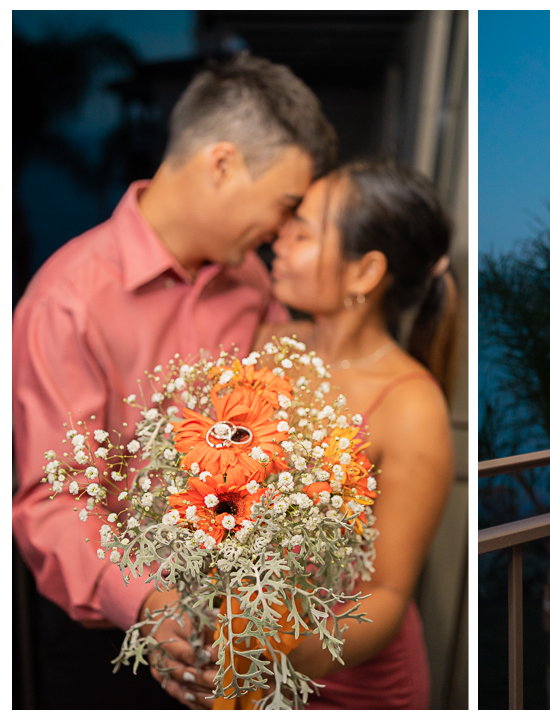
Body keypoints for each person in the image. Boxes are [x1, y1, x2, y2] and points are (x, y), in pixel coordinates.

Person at [12, 52, 337, 710]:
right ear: (221, 163)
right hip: (108, 640)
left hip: (234, 617)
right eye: (284, 204)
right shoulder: (68, 300)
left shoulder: (253, 285)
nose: (281, 230)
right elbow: (52, 503)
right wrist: (147, 601)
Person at [253, 157, 457, 709]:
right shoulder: (262, 343)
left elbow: (387, 593)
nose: (280, 241)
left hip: (346, 683)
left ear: (365, 272)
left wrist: (278, 663)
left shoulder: (411, 404)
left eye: (304, 233)